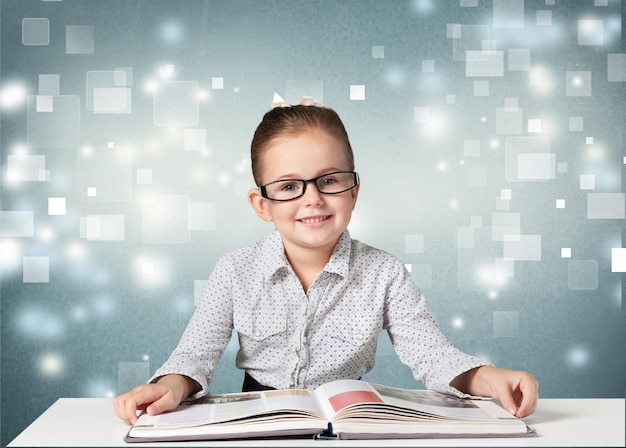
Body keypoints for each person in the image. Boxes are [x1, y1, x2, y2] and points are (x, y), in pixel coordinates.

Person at [114, 97, 538, 425]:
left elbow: (432, 355)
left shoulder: (385, 272)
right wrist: (169, 385)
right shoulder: (234, 270)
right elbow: (195, 354)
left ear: (353, 191)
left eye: (330, 180)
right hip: (259, 417)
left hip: (350, 417)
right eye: (289, 186)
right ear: (261, 204)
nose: (312, 198)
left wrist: (487, 378)